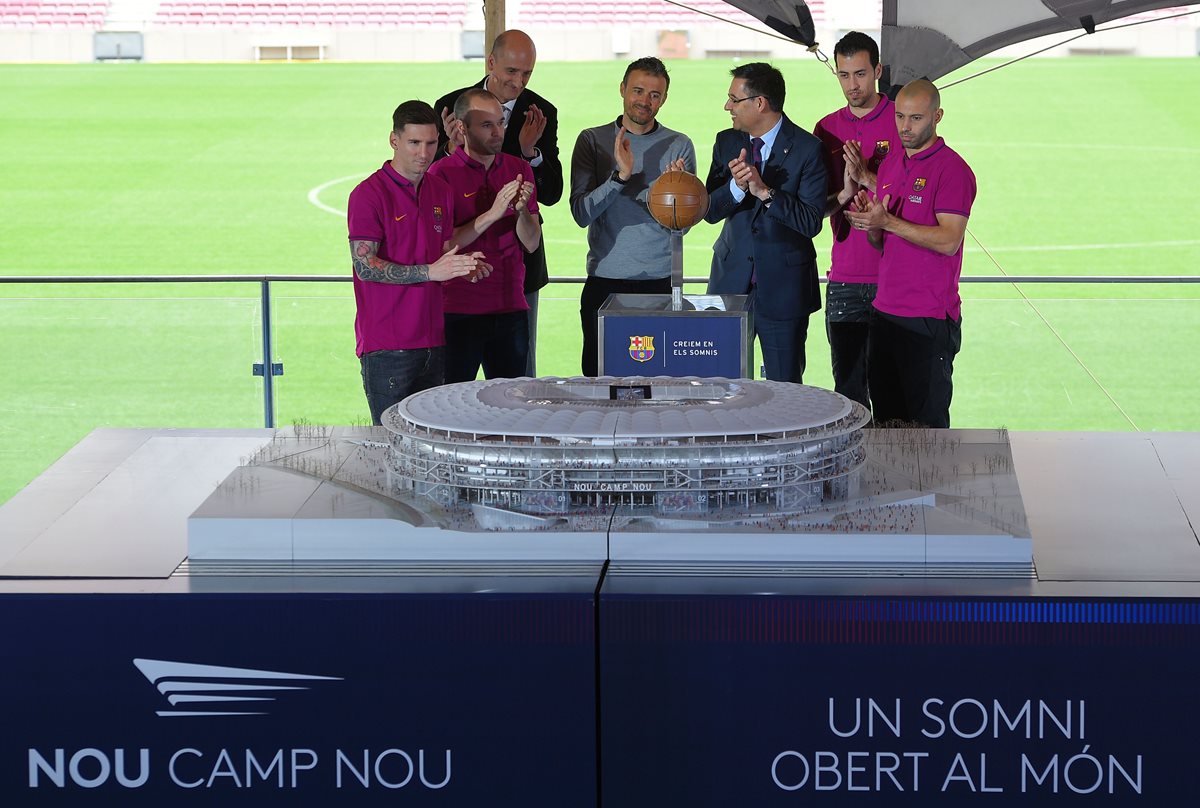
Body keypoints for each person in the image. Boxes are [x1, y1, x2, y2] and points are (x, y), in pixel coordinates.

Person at [347, 100, 490, 424]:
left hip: (435, 341)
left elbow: (436, 251)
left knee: (431, 441)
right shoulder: (368, 194)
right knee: (391, 443)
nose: (423, 153)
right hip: (387, 347)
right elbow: (365, 265)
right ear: (394, 140)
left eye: (430, 143)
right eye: (414, 143)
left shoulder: (439, 190)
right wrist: (431, 271)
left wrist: (460, 268)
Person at [844, 79, 977, 428]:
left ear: (938, 116)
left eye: (916, 118)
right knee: (887, 425)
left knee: (928, 430)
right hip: (885, 313)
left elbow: (949, 240)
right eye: (900, 116)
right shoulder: (891, 165)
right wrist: (873, 225)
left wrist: (887, 220)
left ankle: (931, 487)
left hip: (928, 318)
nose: (905, 127)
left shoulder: (953, 170)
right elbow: (882, 243)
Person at [434, 29, 561, 378]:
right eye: (511, 72)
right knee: (450, 393)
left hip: (514, 283)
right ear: (491, 63)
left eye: (527, 74)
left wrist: (529, 152)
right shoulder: (448, 106)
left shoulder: (540, 113)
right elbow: (428, 198)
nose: (518, 82)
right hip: (458, 291)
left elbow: (551, 193)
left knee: (517, 389)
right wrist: (450, 148)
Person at [570, 56, 696, 377]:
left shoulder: (679, 145)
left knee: (661, 387)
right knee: (599, 387)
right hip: (605, 283)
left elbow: (682, 226)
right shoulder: (591, 140)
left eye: (654, 95)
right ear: (623, 89)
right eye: (638, 91)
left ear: (664, 98)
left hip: (660, 284)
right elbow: (581, 214)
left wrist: (674, 196)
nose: (645, 101)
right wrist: (620, 177)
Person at [704, 62, 826, 384]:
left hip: (784, 292)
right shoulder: (726, 142)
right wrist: (736, 187)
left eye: (734, 99)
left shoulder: (808, 149)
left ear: (760, 103)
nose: (726, 106)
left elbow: (812, 222)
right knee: (721, 385)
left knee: (785, 390)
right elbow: (709, 210)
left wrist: (764, 192)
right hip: (730, 284)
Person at [428, 88, 540, 383]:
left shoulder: (519, 170)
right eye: (487, 125)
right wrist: (492, 213)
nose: (498, 132)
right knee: (451, 407)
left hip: (511, 310)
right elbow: (442, 246)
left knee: (510, 408)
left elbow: (531, 242)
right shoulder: (440, 175)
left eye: (500, 123)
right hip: (458, 312)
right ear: (462, 128)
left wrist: (521, 211)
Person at [814, 32, 899, 409]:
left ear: (877, 70)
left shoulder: (903, 121)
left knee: (893, 395)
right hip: (845, 280)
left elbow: (916, 199)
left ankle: (896, 470)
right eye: (844, 75)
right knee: (848, 396)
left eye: (861, 74)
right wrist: (846, 194)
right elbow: (818, 209)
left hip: (896, 280)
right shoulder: (826, 129)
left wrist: (868, 177)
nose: (852, 84)